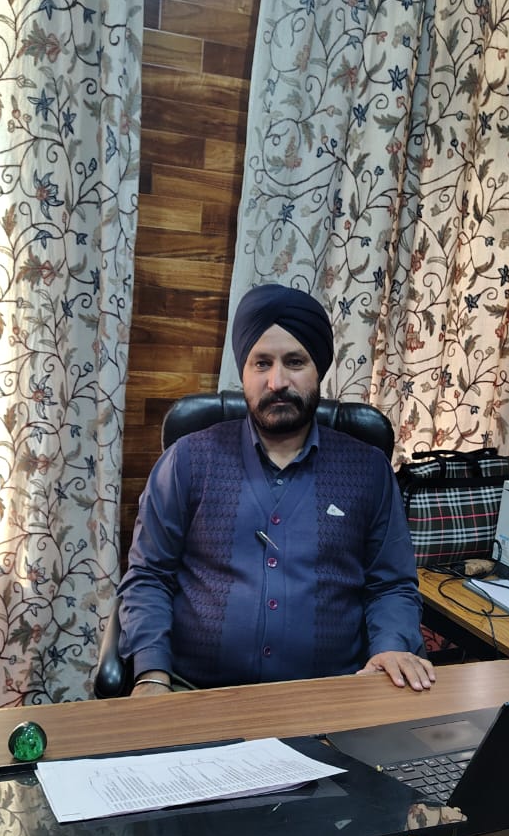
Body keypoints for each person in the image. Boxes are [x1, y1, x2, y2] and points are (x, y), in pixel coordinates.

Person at [118, 283, 435, 696]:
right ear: (244, 373)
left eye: (295, 362)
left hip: (331, 697)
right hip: (193, 692)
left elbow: (390, 585)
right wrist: (151, 675)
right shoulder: (188, 461)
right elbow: (149, 577)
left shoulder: (368, 469)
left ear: (318, 370)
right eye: (261, 363)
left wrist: (390, 648)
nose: (277, 381)